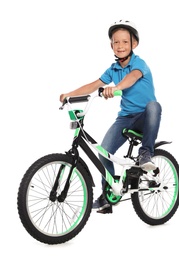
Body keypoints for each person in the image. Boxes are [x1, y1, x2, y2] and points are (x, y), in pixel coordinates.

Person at [60, 19, 162, 214]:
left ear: (134, 44)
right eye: (116, 42)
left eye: (125, 42)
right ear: (111, 45)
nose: (121, 46)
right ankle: (108, 195)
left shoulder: (139, 63)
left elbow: (131, 78)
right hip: (125, 118)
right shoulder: (113, 69)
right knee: (103, 152)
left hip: (146, 117)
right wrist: (69, 94)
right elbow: (93, 85)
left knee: (154, 106)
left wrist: (116, 88)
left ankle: (146, 153)